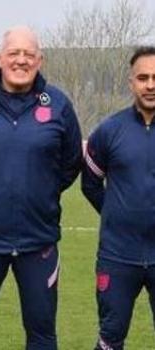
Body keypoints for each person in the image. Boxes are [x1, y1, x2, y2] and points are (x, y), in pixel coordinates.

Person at [0, 26, 82, 350]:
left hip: (39, 241)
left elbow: (70, 163)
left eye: (28, 54)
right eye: (13, 53)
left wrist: (42, 190)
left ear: (40, 59)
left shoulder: (59, 105)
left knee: (41, 334)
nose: (21, 60)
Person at [82, 46, 155, 350]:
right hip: (117, 256)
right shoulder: (110, 130)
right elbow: (90, 184)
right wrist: (116, 212)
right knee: (111, 338)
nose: (150, 84)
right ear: (131, 82)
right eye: (143, 77)